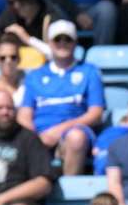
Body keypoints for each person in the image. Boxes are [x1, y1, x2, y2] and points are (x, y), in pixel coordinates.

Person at [18, 19, 103, 175]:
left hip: (74, 132)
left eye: (67, 39)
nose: (62, 43)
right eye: (58, 39)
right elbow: (24, 116)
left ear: (75, 42)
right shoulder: (35, 75)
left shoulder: (89, 71)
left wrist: (58, 131)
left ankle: (68, 191)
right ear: (49, 43)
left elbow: (96, 113)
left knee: (76, 138)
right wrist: (36, 138)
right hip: (39, 134)